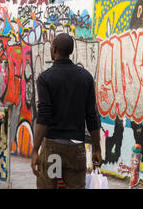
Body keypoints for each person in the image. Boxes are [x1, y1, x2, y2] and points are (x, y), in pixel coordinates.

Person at [31, 33, 102, 189]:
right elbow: (92, 115)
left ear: (54, 49)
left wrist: (35, 150)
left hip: (52, 149)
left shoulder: (45, 78)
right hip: (76, 150)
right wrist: (97, 148)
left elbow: (44, 115)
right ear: (70, 51)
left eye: (51, 46)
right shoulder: (86, 78)